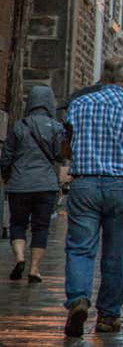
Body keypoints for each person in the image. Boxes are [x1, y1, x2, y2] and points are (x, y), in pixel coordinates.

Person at [62, 58, 123, 336]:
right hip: (121, 186)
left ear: (102, 77)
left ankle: (79, 299)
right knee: (115, 254)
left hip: (85, 184)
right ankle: (108, 316)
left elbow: (66, 148)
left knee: (80, 247)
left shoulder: (79, 105)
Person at [2, 86, 65, 283]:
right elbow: (59, 156)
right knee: (41, 227)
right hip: (46, 185)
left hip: (20, 185)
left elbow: (6, 157)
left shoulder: (19, 126)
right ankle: (34, 268)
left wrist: (7, 176)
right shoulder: (56, 128)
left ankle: (20, 258)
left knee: (18, 224)